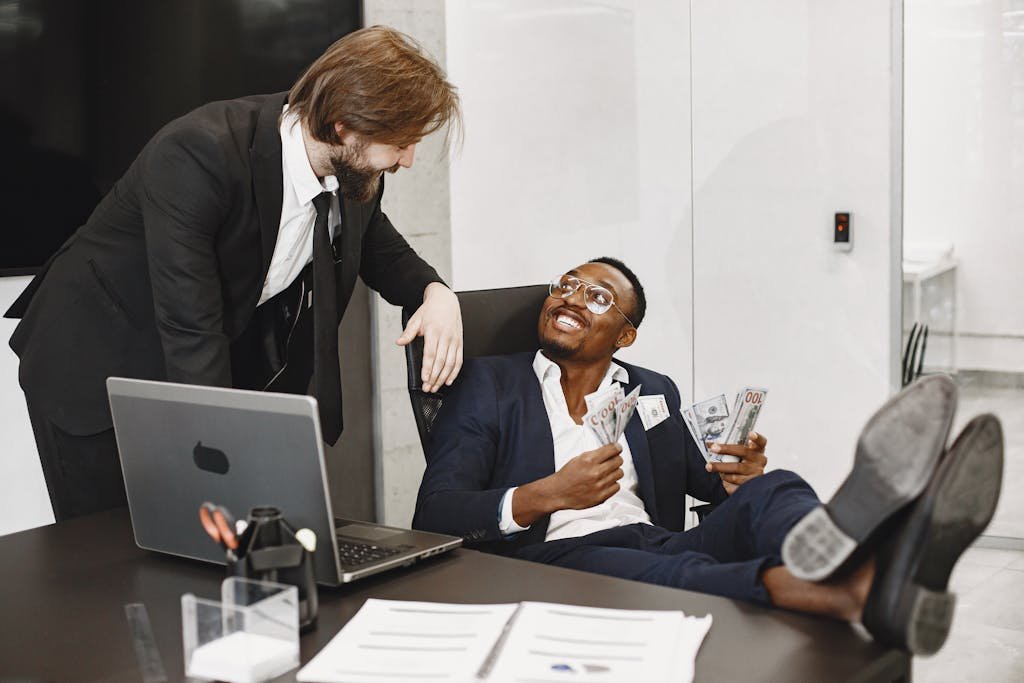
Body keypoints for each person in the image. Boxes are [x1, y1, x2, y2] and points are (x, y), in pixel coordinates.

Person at [413, 257, 1004, 654]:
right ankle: (878, 568)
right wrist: (549, 494)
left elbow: (706, 482)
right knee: (683, 578)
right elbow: (434, 513)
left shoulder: (652, 390)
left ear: (625, 336)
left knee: (777, 487)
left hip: (656, 538)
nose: (571, 299)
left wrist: (736, 475)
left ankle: (862, 569)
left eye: (597, 297)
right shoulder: (489, 383)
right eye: (565, 286)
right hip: (558, 561)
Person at [5, 26, 464, 521]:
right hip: (93, 361)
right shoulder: (198, 153)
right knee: (108, 554)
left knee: (207, 545)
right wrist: (219, 461)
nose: (408, 160)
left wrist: (435, 293)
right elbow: (191, 327)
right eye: (400, 142)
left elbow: (383, 249)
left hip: (193, 362)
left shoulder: (353, 173)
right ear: (342, 126)